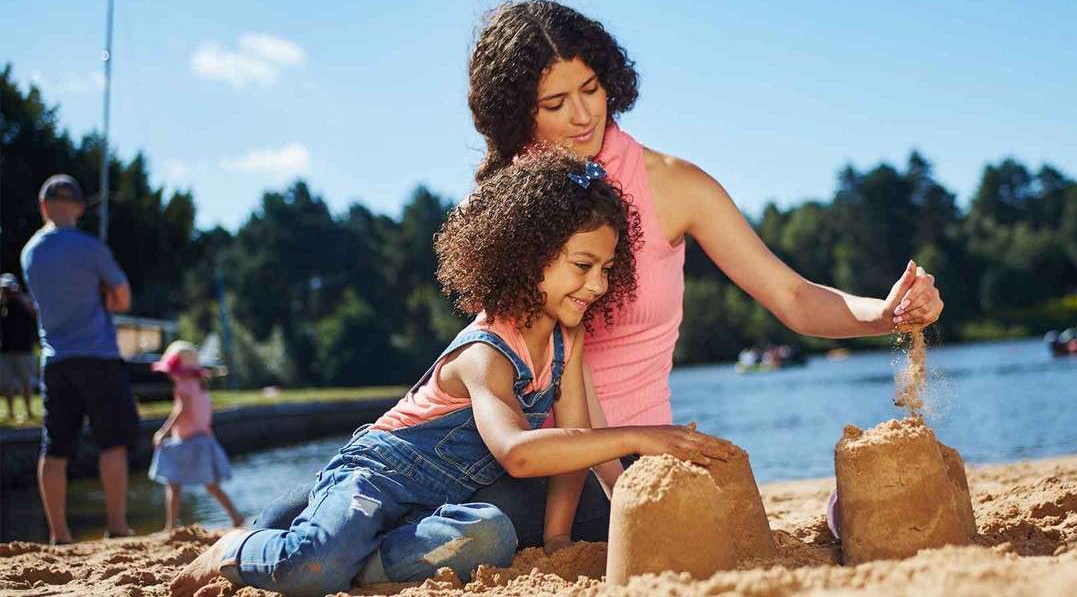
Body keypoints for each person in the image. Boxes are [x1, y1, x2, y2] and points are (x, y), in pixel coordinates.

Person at [253, 0, 945, 548]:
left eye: (591, 88)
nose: (583, 114)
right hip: (508, 453)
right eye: (555, 103)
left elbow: (792, 297)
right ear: (516, 111)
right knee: (453, 519)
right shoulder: (503, 205)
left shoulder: (675, 185)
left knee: (714, 519)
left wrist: (885, 312)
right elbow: (499, 357)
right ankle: (281, 526)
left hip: (637, 455)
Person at [171, 150, 734, 596]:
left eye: (608, 268)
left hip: (439, 507)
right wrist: (641, 436)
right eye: (583, 266)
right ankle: (236, 550)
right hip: (376, 480)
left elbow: (578, 448)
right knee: (315, 566)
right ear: (525, 256)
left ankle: (359, 560)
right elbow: (516, 450)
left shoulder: (568, 337)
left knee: (491, 534)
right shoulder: (484, 352)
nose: (598, 285)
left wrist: (559, 538)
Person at [20, 174, 138, 544]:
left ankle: (59, 533)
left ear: (43, 207)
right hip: (99, 356)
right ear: (80, 208)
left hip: (56, 360)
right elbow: (121, 299)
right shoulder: (91, 248)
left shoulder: (30, 252)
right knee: (112, 443)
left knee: (54, 448)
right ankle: (117, 526)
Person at [149, 341, 244, 531]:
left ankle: (171, 526)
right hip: (203, 440)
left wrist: (163, 433)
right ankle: (236, 517)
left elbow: (180, 411)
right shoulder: (200, 386)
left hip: (187, 441)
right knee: (212, 485)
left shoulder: (183, 386)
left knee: (172, 483)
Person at [0, 273, 39, 421]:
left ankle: (28, 411)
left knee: (26, 383)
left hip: (24, 349)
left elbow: (35, 314)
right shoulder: (2, 303)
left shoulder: (24, 300)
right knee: (6, 384)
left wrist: (19, 296)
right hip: (5, 350)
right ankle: (10, 412)